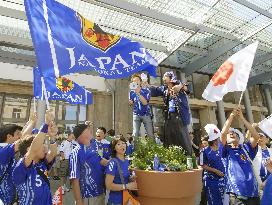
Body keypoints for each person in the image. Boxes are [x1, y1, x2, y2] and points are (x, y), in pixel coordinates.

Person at [12, 110, 58, 205]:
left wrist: (52, 137)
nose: (45, 147)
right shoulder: (22, 167)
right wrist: (46, 124)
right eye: (42, 144)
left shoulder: (42, 164)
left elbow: (53, 153)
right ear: (29, 148)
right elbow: (33, 149)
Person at [221, 107, 260, 205]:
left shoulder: (246, 148)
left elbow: (256, 136)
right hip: (236, 193)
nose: (231, 134)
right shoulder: (226, 150)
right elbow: (223, 133)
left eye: (234, 133)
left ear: (239, 138)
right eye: (229, 133)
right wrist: (231, 117)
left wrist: (242, 118)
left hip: (253, 192)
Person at [149, 71, 192, 155]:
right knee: (169, 136)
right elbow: (154, 90)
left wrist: (180, 86)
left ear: (170, 77)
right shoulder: (164, 89)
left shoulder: (179, 84)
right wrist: (146, 85)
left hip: (179, 115)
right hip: (169, 116)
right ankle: (171, 156)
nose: (163, 78)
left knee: (182, 136)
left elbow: (187, 88)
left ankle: (188, 157)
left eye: (165, 77)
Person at [0, 112, 38, 205]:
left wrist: (29, 122)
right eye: (18, 134)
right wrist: (32, 122)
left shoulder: (7, 150)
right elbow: (22, 141)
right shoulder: (3, 151)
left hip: (9, 197)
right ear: (9, 136)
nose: (20, 136)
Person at [70, 122, 108, 205]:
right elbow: (74, 179)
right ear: (81, 134)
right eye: (87, 129)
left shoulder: (92, 148)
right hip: (88, 197)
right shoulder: (76, 152)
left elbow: (102, 161)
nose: (91, 130)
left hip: (100, 193)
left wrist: (118, 164)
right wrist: (79, 201)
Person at [105, 136, 138, 205]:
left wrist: (131, 178)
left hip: (126, 199)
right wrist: (127, 186)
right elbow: (108, 185)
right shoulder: (113, 162)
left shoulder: (127, 161)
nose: (122, 145)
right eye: (118, 144)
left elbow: (123, 178)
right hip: (115, 201)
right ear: (114, 148)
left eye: (123, 143)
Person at [200, 124, 225, 205]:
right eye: (218, 138)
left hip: (225, 179)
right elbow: (202, 165)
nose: (219, 140)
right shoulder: (204, 151)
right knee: (214, 201)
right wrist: (215, 171)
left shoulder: (222, 147)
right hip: (211, 181)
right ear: (213, 140)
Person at [129, 73, 154, 138]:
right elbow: (130, 103)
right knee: (135, 134)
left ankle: (153, 148)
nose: (135, 82)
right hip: (136, 114)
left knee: (150, 134)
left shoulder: (146, 90)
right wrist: (130, 102)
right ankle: (135, 148)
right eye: (134, 81)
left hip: (146, 114)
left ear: (140, 82)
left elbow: (145, 103)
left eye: (137, 80)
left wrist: (138, 93)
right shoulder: (132, 91)